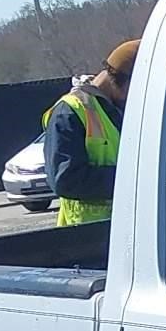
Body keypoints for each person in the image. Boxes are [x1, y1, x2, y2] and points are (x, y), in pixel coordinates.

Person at [43, 39, 138, 226]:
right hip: (87, 234)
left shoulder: (124, 108)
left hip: (126, 225)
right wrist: (133, 181)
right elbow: (65, 180)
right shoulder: (70, 110)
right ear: (122, 80)